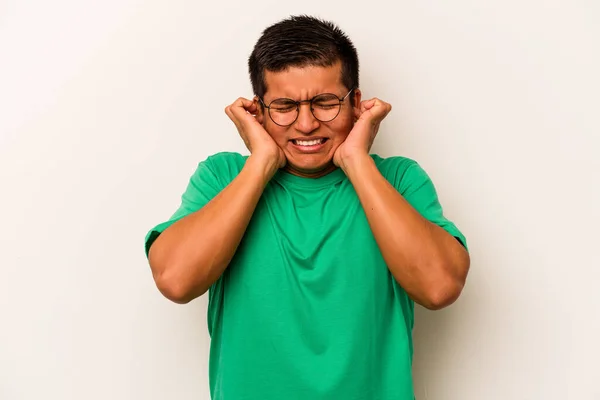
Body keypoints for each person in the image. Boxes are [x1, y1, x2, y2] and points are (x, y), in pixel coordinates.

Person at [144, 15, 470, 400]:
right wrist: (262, 162)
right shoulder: (223, 176)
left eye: (325, 103)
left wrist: (356, 161)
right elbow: (176, 281)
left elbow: (439, 287)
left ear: (357, 103)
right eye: (284, 105)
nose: (306, 123)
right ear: (258, 110)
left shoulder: (397, 180)